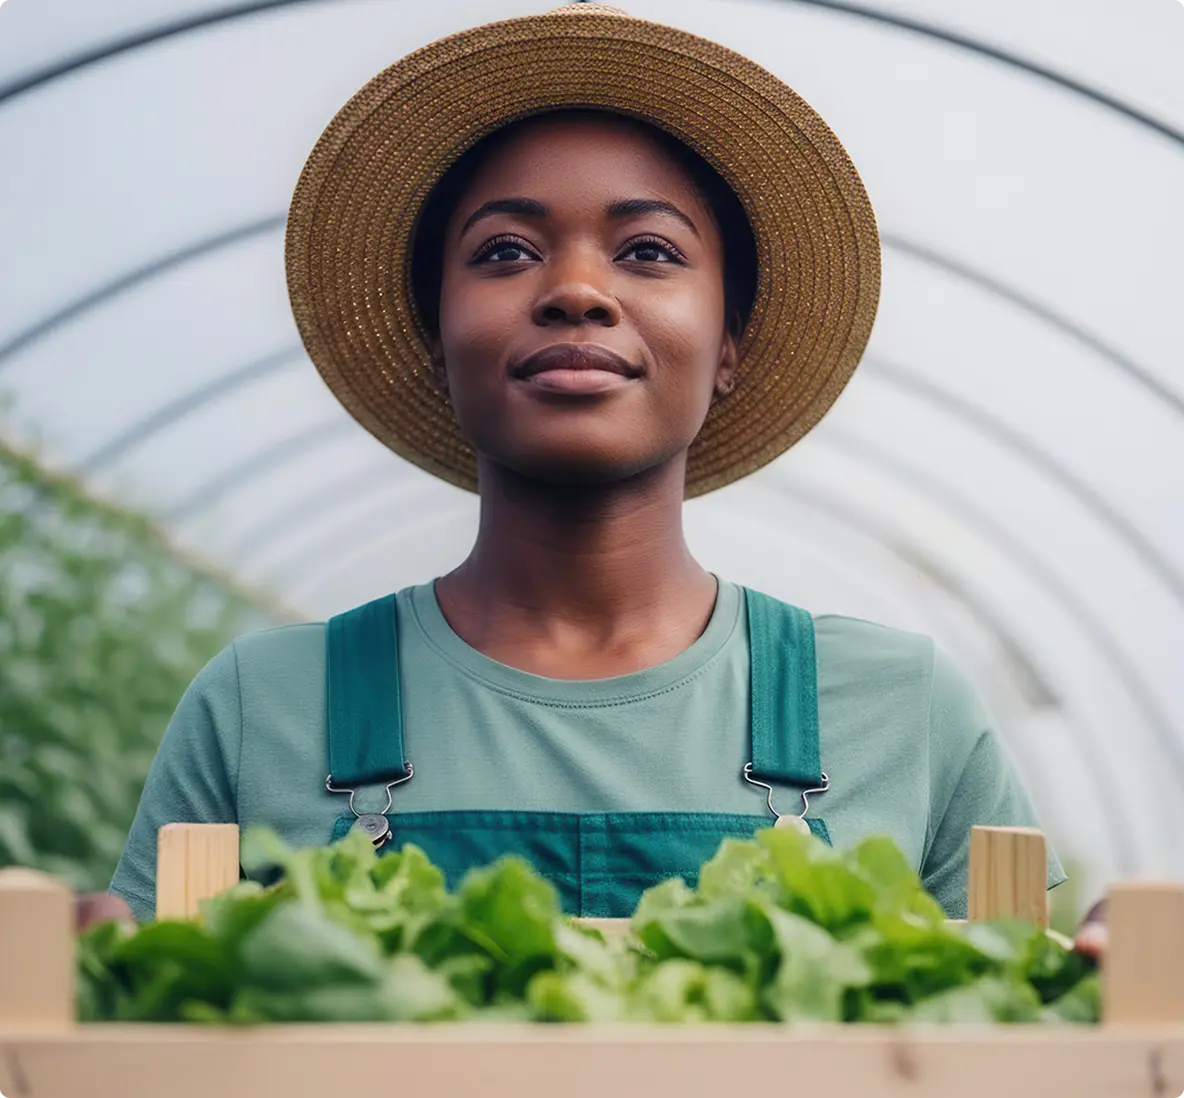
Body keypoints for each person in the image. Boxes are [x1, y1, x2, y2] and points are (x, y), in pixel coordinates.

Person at [94, 3, 1102, 945]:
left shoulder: (901, 709)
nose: (576, 290)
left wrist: (1106, 997)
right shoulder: (264, 706)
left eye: (648, 251)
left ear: (727, 348)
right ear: (436, 343)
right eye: (503, 251)